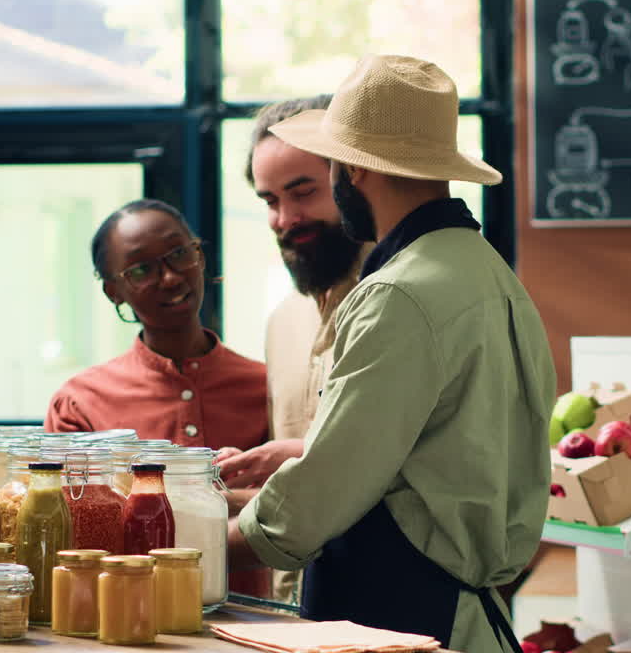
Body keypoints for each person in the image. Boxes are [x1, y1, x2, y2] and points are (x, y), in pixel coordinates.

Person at [230, 55, 556, 653]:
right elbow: (447, 452)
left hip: (405, 619)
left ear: (351, 171)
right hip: (457, 612)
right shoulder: (487, 272)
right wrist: (307, 451)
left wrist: (185, 539)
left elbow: (315, 504)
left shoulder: (395, 294)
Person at [45, 198, 272, 596]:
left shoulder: (266, 386)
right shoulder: (79, 401)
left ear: (199, 256)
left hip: (248, 620)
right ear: (114, 291)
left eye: (179, 253)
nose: (169, 278)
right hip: (121, 614)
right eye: (142, 269)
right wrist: (235, 500)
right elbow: (73, 526)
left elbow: (303, 503)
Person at [217, 95, 373, 604]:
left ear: (352, 181)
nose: (286, 218)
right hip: (292, 606)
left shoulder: (399, 304)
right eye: (269, 201)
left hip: (389, 602)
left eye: (303, 192)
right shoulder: (284, 321)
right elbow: (299, 489)